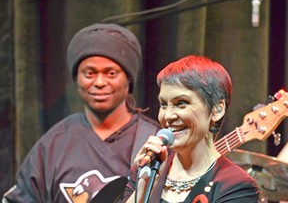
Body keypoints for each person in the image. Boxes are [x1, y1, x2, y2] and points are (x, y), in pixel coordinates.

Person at [2, 23, 161, 202]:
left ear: (128, 79)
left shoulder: (154, 143)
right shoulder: (54, 143)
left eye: (111, 73)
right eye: (89, 73)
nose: (99, 82)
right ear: (76, 79)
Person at [122, 55, 259, 202]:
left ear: (217, 110)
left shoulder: (236, 185)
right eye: (163, 104)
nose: (168, 115)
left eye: (181, 103)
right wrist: (143, 189)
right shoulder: (147, 169)